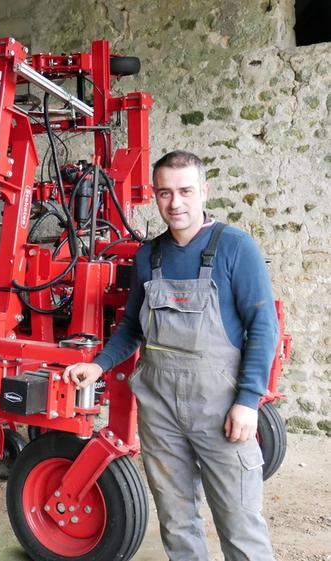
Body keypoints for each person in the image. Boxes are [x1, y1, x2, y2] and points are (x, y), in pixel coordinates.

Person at [63, 150, 279, 561]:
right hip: (160, 411)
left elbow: (263, 327)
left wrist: (249, 401)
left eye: (185, 191)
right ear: (156, 196)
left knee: (239, 522)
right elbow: (132, 327)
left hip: (219, 409)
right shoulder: (150, 256)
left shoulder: (236, 248)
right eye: (165, 193)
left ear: (203, 192)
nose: (175, 203)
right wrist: (98, 365)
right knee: (177, 522)